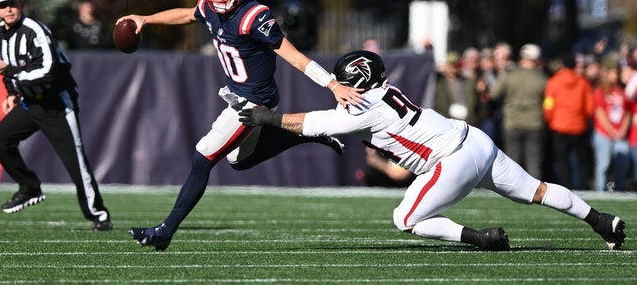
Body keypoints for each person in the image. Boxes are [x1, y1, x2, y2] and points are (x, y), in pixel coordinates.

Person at [239, 50, 626, 251]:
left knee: (404, 219)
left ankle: (481, 239)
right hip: (475, 141)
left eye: (342, 83)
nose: (338, 89)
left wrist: (266, 118)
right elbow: (342, 128)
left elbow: (315, 123)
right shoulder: (383, 94)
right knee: (536, 190)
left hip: (451, 160)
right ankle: (600, 220)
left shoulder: (361, 106)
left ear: (356, 80)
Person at [117, 0, 362, 251]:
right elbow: (187, 14)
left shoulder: (254, 16)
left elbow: (295, 57)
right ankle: (309, 133)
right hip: (237, 95)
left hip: (255, 101)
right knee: (238, 161)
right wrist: (147, 19)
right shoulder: (209, 5)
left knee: (202, 157)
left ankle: (165, 230)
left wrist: (333, 84)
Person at [0, 0, 112, 231]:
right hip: (30, 103)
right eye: (3, 6)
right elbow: (8, 66)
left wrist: (10, 72)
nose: (8, 9)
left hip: (56, 104)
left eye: (12, 3)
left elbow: (48, 72)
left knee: (75, 162)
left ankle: (99, 215)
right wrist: (12, 92)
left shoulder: (35, 30)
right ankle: (29, 188)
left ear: (21, 4)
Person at [489, 44, 548, 179]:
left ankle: (512, 193)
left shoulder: (509, 75)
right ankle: (535, 194)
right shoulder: (542, 79)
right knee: (534, 163)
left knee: (513, 162)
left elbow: (494, 95)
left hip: (512, 122)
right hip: (535, 123)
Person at [542, 52, 595, 190]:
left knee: (562, 161)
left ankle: (565, 187)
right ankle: (583, 187)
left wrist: (551, 120)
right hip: (578, 126)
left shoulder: (554, 81)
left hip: (559, 126)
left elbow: (548, 105)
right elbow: (590, 108)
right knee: (581, 162)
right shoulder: (583, 83)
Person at [591, 57, 630, 191]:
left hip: (620, 134)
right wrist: (612, 131)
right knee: (604, 164)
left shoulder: (622, 90)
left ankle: (617, 190)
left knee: (623, 162)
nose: (616, 75)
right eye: (613, 72)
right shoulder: (600, 91)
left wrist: (623, 129)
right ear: (606, 73)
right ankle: (600, 191)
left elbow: (628, 111)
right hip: (604, 133)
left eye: (617, 72)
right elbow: (600, 113)